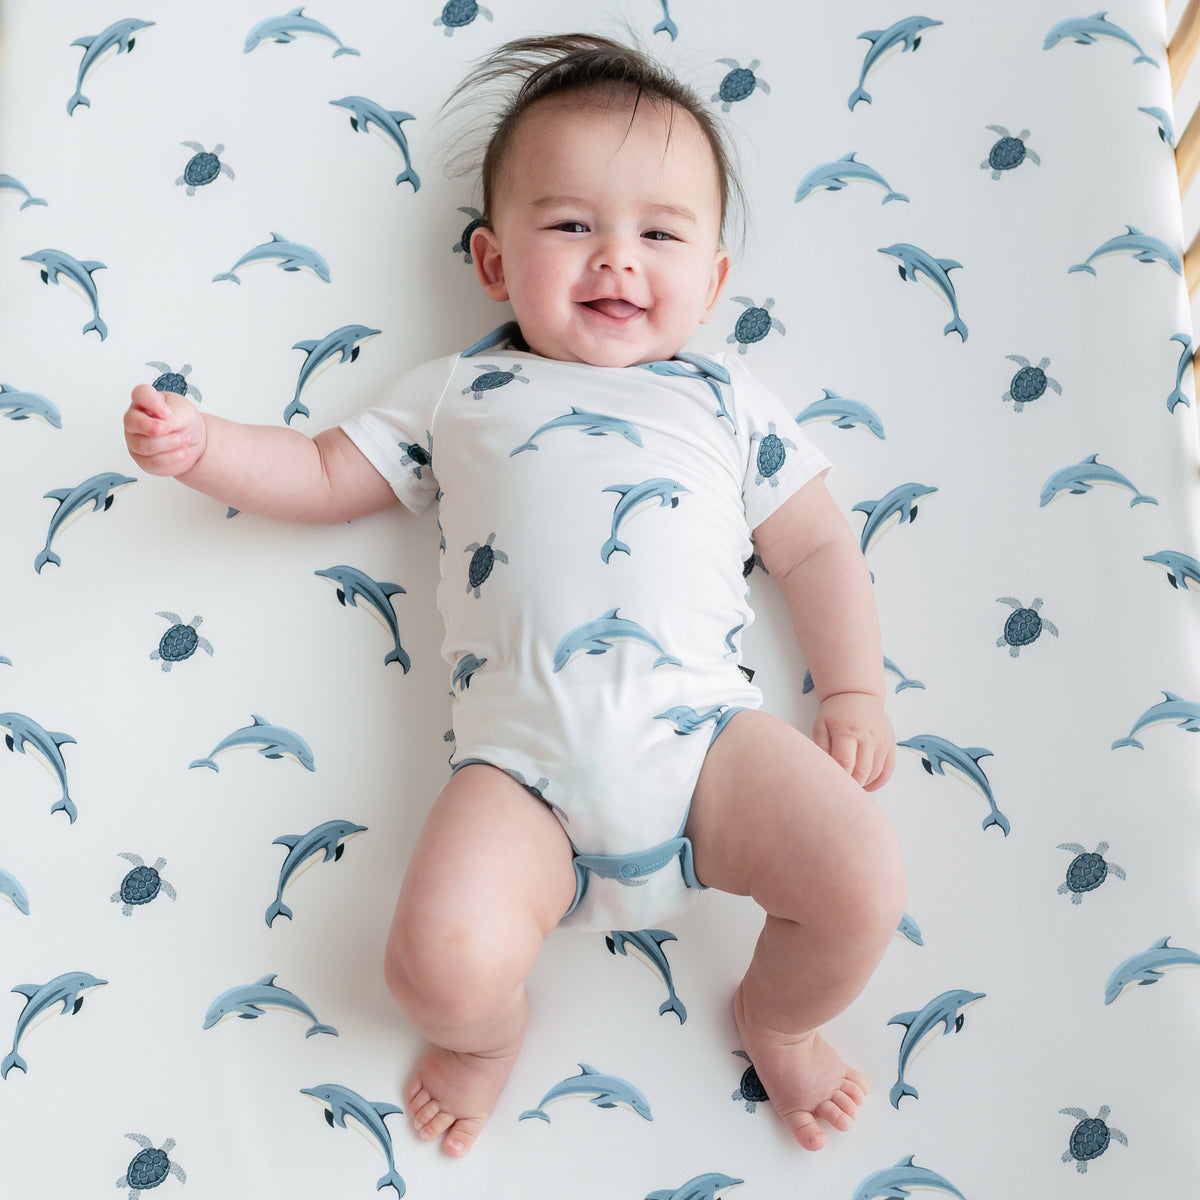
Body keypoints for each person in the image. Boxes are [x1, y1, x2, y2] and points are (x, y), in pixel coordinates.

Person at [123, 33, 905, 1160]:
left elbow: (820, 549)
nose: (617, 261)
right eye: (572, 225)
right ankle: (489, 1036)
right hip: (522, 772)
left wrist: (857, 688)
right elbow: (326, 473)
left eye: (660, 234)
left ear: (714, 280)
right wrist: (204, 450)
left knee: (862, 875)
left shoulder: (727, 402)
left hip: (707, 746)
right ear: (493, 263)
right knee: (432, 961)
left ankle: (779, 1013)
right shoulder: (460, 392)